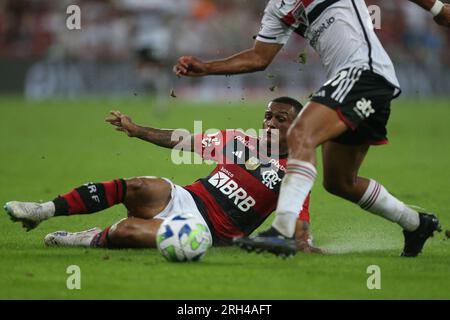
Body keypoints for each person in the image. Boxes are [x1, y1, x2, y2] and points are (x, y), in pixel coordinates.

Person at [173, 0, 450, 257]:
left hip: (363, 71)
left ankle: (283, 231)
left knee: (300, 134)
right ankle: (416, 224)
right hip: (350, 81)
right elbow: (259, 57)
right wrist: (207, 68)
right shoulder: (278, 6)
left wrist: (437, 7)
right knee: (340, 182)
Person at [4, 97, 321, 254]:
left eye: (280, 119)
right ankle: (42, 210)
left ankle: (86, 238)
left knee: (128, 231)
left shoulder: (296, 172)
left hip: (207, 230)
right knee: (138, 185)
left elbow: (299, 227)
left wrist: (304, 243)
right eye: (267, 116)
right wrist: (136, 129)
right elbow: (183, 140)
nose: (269, 123)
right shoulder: (240, 141)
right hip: (187, 197)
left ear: (296, 127)